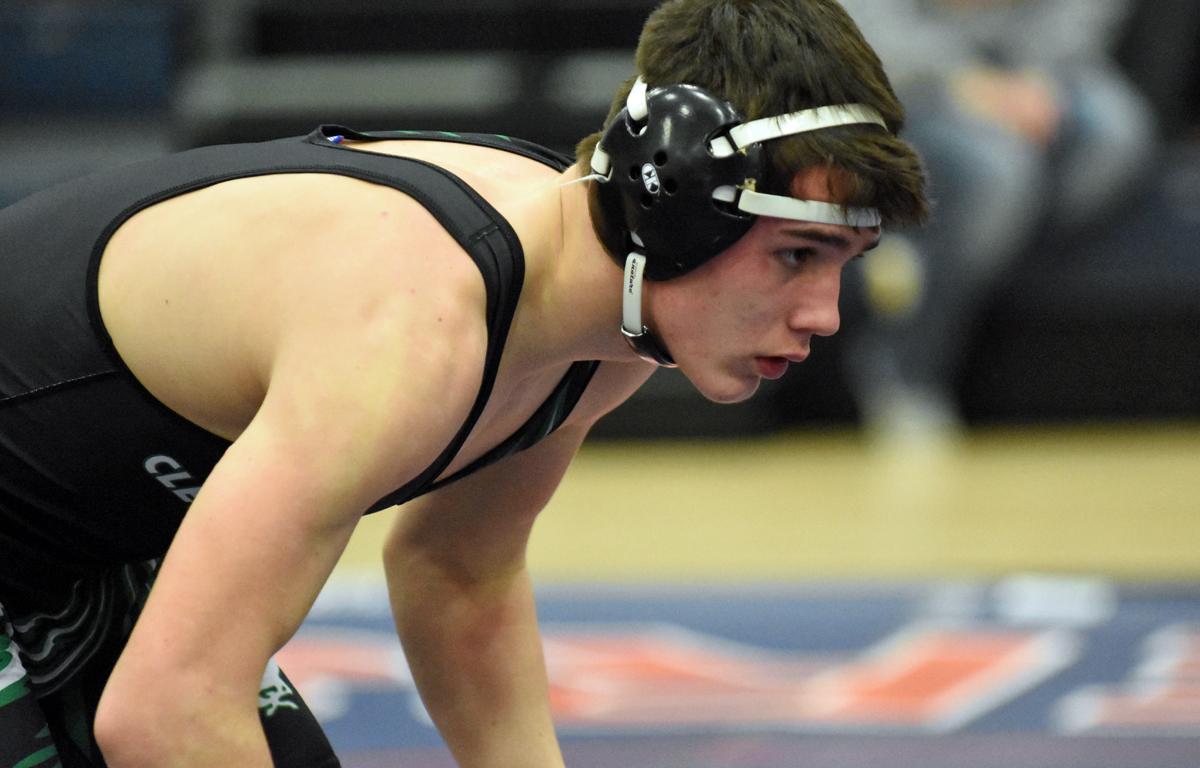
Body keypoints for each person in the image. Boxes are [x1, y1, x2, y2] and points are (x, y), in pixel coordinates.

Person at [0, 1, 928, 765]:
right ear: (673, 199)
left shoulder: (597, 329)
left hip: (75, 544)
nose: (824, 315)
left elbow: (459, 574)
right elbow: (167, 713)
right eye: (797, 255)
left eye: (841, 263)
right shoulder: (411, 329)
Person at [835, 0, 1157, 441]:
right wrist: (960, 79)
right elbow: (860, 21)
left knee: (1114, 134)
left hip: (1048, 67)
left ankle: (954, 277)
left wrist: (1036, 77)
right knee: (999, 173)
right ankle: (906, 360)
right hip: (906, 77)